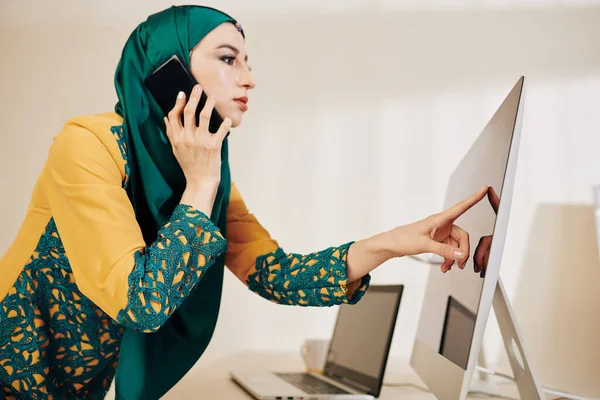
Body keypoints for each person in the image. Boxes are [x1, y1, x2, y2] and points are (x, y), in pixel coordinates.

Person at [0, 5, 487, 400]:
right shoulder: (88, 147)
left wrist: (396, 242)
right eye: (229, 59)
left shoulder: (204, 173)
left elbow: (274, 273)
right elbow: (141, 302)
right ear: (166, 71)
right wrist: (202, 181)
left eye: (248, 62)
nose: (250, 79)